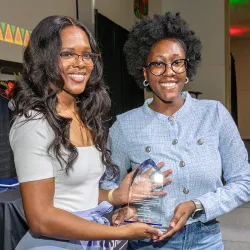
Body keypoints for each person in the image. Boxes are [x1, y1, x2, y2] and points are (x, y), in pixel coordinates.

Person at [9, 15, 170, 250]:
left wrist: (115, 196)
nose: (81, 62)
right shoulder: (33, 122)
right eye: (67, 54)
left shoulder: (84, 115)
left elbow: (79, 194)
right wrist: (119, 232)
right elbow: (41, 219)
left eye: (87, 54)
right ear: (44, 58)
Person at [103, 12, 250, 249]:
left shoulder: (214, 114)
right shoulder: (124, 127)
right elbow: (109, 188)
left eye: (177, 62)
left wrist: (197, 204)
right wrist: (125, 208)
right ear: (144, 72)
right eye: (158, 64)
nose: (169, 72)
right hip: (148, 241)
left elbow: (244, 181)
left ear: (187, 67)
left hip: (206, 240)